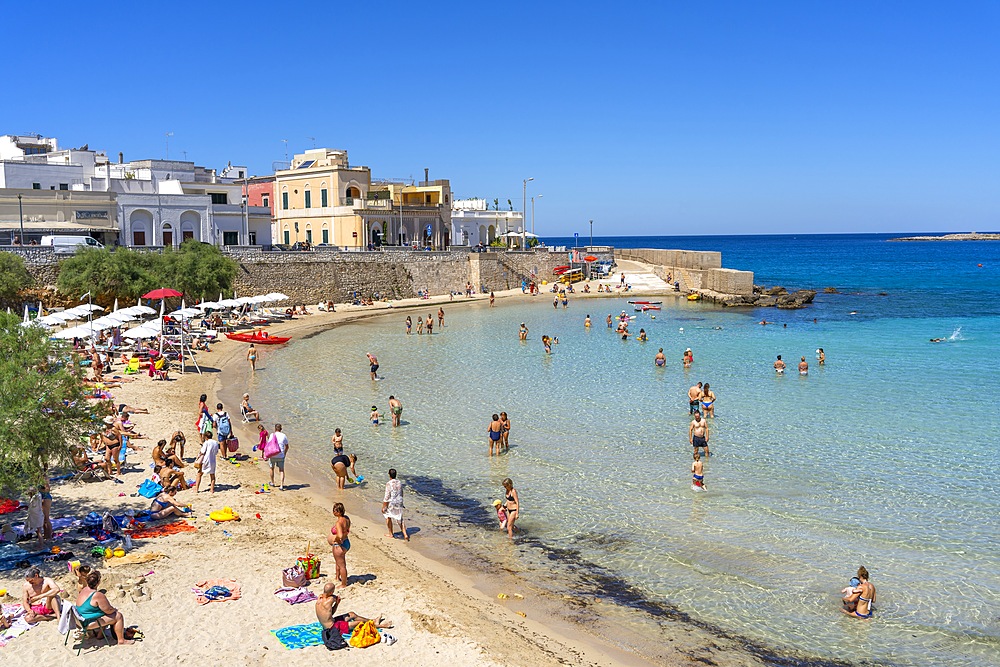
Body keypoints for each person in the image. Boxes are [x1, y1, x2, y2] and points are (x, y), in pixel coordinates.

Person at [75, 570, 133, 645]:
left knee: (101, 612)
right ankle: (121, 640)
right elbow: (108, 610)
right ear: (98, 583)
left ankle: (100, 635)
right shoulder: (97, 595)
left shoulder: (83, 590)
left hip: (79, 620)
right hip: (87, 623)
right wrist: (114, 609)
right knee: (118, 616)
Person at [316, 582, 393, 634]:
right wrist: (337, 602)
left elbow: (329, 613)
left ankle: (373, 621)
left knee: (352, 614)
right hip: (332, 628)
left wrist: (336, 604)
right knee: (359, 623)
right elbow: (334, 598)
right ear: (331, 593)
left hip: (328, 623)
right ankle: (381, 626)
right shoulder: (331, 599)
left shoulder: (320, 598)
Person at [327, 503, 352, 588]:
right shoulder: (346, 518)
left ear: (338, 512)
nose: (333, 511)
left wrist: (336, 539)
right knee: (338, 561)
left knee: (342, 565)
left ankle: (344, 584)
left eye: (335, 510)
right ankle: (337, 577)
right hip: (346, 542)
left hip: (340, 545)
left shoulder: (339, 522)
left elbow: (340, 535)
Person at [382, 468, 408, 540]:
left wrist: (384, 506)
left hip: (392, 502)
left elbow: (387, 496)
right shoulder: (399, 482)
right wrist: (401, 502)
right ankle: (405, 534)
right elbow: (401, 493)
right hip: (399, 501)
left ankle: (391, 533)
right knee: (400, 518)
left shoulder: (389, 484)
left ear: (389, 475)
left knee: (388, 516)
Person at [194, 429, 219, 494]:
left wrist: (198, 457)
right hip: (213, 460)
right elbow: (216, 452)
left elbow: (202, 452)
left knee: (199, 473)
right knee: (212, 475)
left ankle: (196, 489)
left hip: (206, 460)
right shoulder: (215, 443)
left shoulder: (206, 442)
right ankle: (212, 490)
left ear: (206, 437)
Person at [268, 423, 289, 490]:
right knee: (281, 470)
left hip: (273, 454)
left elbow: (269, 444)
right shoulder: (284, 436)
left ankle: (272, 482)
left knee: (271, 468)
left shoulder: (272, 435)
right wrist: (284, 454)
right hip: (281, 455)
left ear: (275, 429)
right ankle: (281, 485)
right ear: (281, 429)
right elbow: (287, 446)